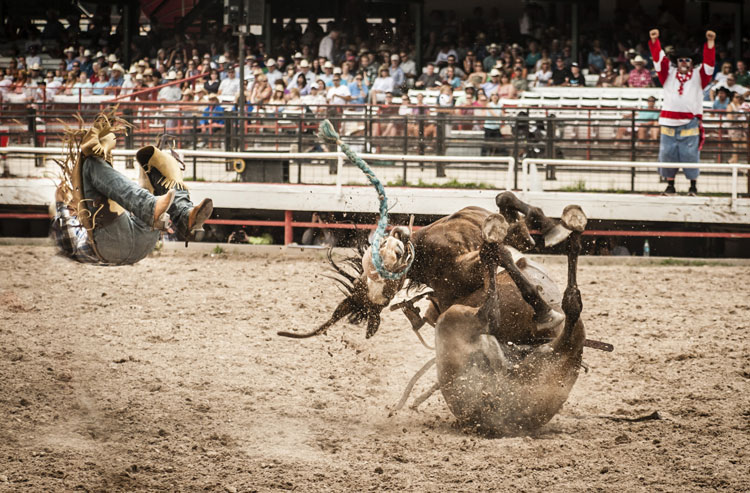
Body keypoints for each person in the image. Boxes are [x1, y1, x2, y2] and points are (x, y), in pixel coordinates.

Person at [51, 111, 213, 265]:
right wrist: (59, 205)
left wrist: (62, 204)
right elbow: (68, 240)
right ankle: (156, 208)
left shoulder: (85, 215)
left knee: (149, 162)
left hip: (127, 238)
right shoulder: (74, 224)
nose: (71, 203)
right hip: (113, 246)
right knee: (89, 165)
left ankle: (185, 216)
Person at [649, 28, 715, 196]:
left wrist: (710, 44)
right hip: (668, 122)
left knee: (690, 155)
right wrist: (655, 42)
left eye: (687, 60)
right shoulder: (668, 74)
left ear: (692, 62)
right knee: (667, 155)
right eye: (680, 60)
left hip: (689, 122)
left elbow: (709, 65)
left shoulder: (699, 76)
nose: (684, 62)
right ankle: (670, 186)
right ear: (676, 62)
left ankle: (693, 186)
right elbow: (659, 60)